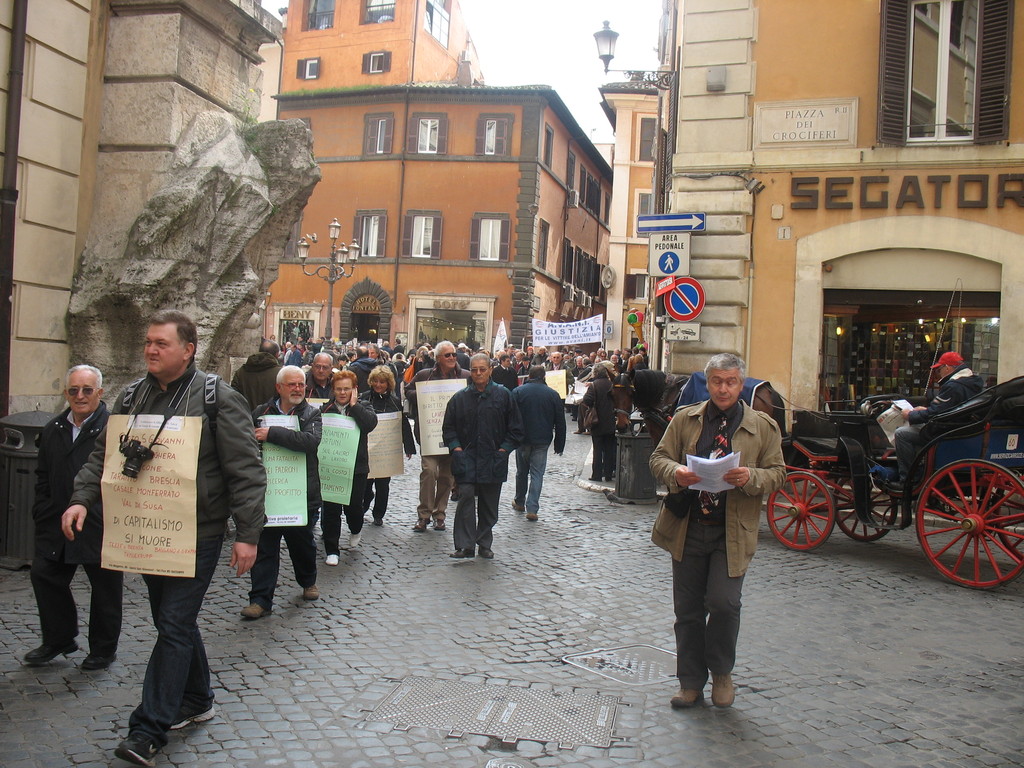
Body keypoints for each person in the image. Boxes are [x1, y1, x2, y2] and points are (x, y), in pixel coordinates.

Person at [62, 310, 266, 767]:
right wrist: (81, 499)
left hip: (200, 531)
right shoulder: (132, 395)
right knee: (172, 620)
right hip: (146, 527)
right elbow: (103, 455)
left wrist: (248, 534)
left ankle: (147, 729)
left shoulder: (217, 397)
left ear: (188, 349)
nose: (151, 350)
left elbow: (246, 470)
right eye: (148, 343)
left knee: (173, 622)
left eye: (161, 343)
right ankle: (198, 698)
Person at [648, 353, 785, 710]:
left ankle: (722, 674)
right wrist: (676, 472)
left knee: (724, 603)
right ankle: (690, 683)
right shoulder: (685, 419)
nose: (723, 389)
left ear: (741, 384)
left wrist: (751, 477)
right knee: (689, 610)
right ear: (708, 384)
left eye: (731, 382)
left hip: (732, 531)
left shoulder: (763, 427)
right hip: (688, 527)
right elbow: (658, 458)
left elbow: (778, 473)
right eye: (717, 382)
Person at [25, 364, 122, 671]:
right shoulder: (54, 429)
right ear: (66, 393)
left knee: (105, 588)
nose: (80, 396)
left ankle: (103, 650)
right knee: (45, 575)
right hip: (57, 520)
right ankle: (58, 638)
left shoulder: (114, 428)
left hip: (99, 521)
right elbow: (43, 474)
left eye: (87, 390)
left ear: (100, 393)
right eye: (73, 390)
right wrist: (42, 511)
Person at [243, 365, 322, 619]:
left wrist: (272, 434)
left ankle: (308, 581)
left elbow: (309, 442)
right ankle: (260, 599)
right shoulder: (260, 413)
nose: (298, 389)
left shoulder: (311, 413)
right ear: (279, 388)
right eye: (292, 385)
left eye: (301, 384)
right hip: (269, 495)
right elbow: (247, 441)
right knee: (265, 547)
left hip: (301, 495)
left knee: (302, 545)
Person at [442, 353, 524, 559]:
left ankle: (484, 543)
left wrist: (503, 450)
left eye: (482, 369)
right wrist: (456, 449)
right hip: (467, 458)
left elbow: (516, 429)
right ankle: (464, 545)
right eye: (475, 369)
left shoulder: (504, 396)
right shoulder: (459, 398)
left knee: (489, 504)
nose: (478, 373)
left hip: (493, 458)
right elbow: (448, 428)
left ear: (490, 370)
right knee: (466, 498)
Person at [889, 351, 984, 489]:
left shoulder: (954, 386)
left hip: (947, 432)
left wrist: (910, 415)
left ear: (948, 367)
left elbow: (937, 412)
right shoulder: (973, 383)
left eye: (939, 370)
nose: (939, 374)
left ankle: (909, 480)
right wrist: (925, 410)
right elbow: (945, 408)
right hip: (961, 426)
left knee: (901, 434)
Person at [407, 340, 470, 532]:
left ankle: (439, 514)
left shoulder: (465, 376)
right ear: (438, 358)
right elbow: (407, 390)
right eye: (448, 355)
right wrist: (424, 394)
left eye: (454, 355)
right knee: (429, 472)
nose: (452, 358)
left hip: (453, 436)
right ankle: (424, 514)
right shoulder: (425, 375)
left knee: (446, 476)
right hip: (429, 435)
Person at [321, 370, 377, 563]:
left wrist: (354, 406)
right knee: (331, 509)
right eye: (338, 389)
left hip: (356, 468)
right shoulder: (326, 409)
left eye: (346, 389)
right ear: (333, 390)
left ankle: (355, 528)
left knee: (353, 507)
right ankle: (332, 550)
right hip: (331, 467)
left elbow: (370, 424)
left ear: (354, 390)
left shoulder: (364, 406)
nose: (342, 393)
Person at [359, 366, 415, 525]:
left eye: (382, 382)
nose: (378, 385)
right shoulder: (363, 399)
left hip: (386, 451)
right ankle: (362, 508)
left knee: (383, 485)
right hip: (367, 450)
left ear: (388, 384)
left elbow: (403, 425)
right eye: (375, 381)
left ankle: (378, 515)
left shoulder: (395, 402)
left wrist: (408, 447)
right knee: (365, 484)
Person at [510, 366, 566, 521]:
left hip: (522, 438)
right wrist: (559, 444)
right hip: (542, 439)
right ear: (544, 376)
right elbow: (560, 421)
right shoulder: (553, 394)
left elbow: (510, 416)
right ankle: (532, 508)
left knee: (521, 472)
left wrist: (509, 438)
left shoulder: (518, 392)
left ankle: (520, 501)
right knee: (537, 474)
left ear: (530, 376)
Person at [583, 361, 617, 482]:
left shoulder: (594, 385)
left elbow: (587, 400)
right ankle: (608, 474)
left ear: (595, 373)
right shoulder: (612, 384)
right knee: (609, 449)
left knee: (598, 450)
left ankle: (597, 475)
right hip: (611, 420)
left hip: (597, 421)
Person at [230, 339, 281, 411]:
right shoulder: (281, 374)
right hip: (271, 419)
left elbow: (233, 396)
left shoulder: (241, 372)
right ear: (277, 354)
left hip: (245, 418)